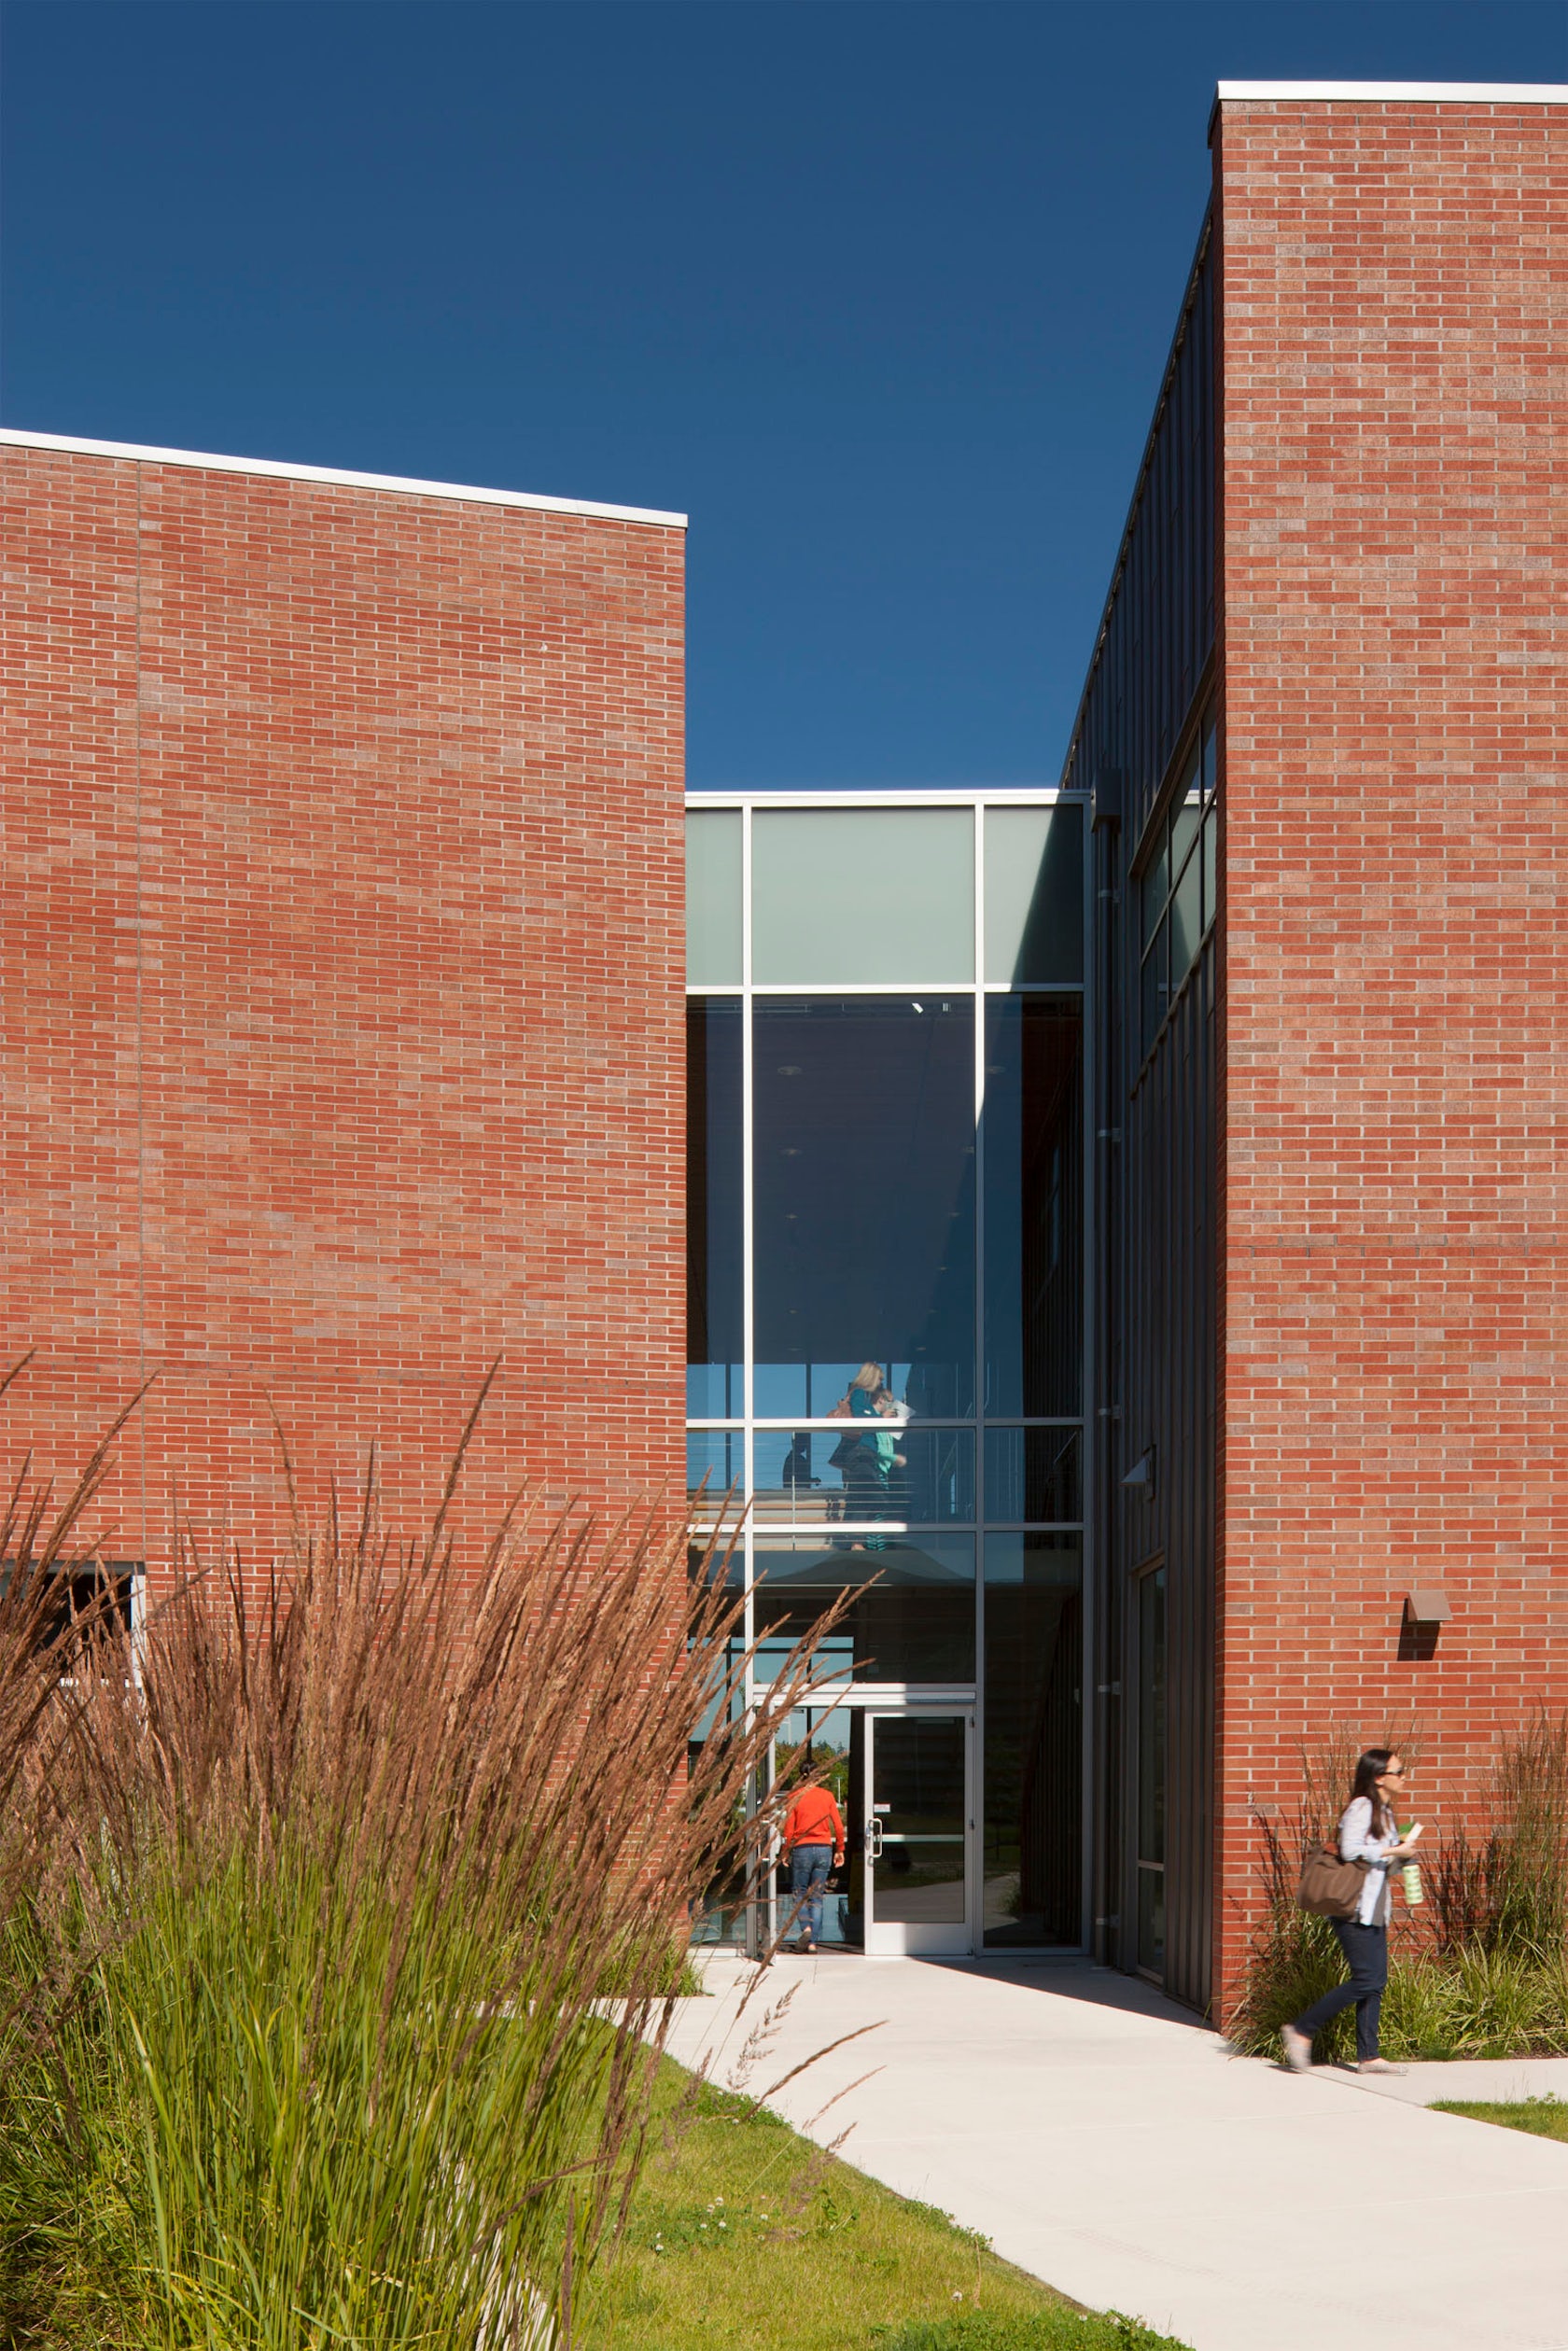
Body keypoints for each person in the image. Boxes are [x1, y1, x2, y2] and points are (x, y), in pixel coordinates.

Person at [1281, 1747, 1423, 2076]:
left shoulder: (1384, 1811)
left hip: (1374, 1908)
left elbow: (1379, 1862)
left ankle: (1369, 2055)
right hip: (1353, 1909)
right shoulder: (1362, 1807)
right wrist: (1393, 1848)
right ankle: (1302, 2029)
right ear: (1378, 1777)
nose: (1404, 1778)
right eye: (1398, 1772)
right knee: (1366, 1979)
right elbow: (1349, 1849)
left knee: (1376, 1982)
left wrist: (1402, 1856)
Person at [780, 1754, 847, 1953]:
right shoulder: (827, 1796)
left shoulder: (795, 1797)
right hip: (824, 1849)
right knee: (817, 1897)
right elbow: (838, 1826)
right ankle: (812, 1943)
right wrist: (840, 1849)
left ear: (801, 1776)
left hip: (802, 1848)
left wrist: (785, 1852)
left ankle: (806, 1929)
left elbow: (788, 1830)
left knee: (799, 1893)